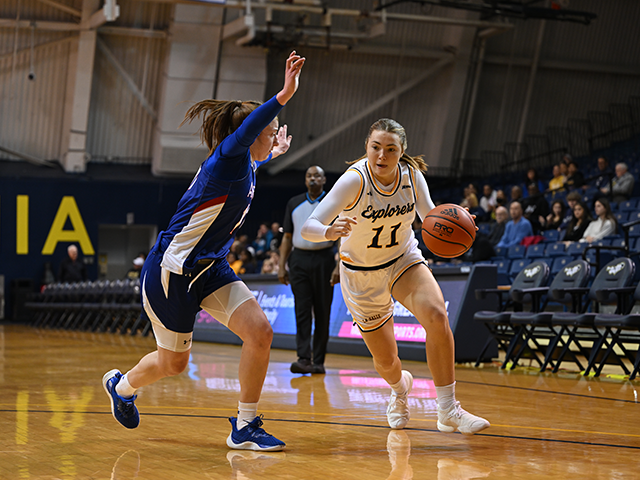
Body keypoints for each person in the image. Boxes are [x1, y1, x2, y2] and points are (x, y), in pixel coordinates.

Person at [101, 51, 306, 452]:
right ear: (254, 131)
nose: (275, 135)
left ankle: (244, 426)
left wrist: (273, 153)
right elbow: (247, 134)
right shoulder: (227, 158)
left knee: (260, 332)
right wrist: (283, 94)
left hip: (210, 269)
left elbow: (253, 158)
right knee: (173, 364)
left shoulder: (246, 165)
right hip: (173, 271)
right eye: (271, 131)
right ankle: (121, 387)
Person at [300, 118, 490, 435]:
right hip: (361, 275)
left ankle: (447, 410)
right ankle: (400, 389)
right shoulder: (353, 181)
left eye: (390, 149)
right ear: (367, 147)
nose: (381, 156)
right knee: (387, 361)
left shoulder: (411, 176)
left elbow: (431, 216)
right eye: (375, 147)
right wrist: (328, 231)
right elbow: (309, 226)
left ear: (402, 152)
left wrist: (459, 222)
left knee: (436, 314)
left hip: (403, 260)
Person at [278, 165, 339, 375]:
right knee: (302, 310)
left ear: (324, 180)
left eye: (317, 176)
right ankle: (303, 358)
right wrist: (281, 265)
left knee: (323, 311)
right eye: (309, 176)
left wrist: (339, 266)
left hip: (325, 259)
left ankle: (319, 361)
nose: (313, 179)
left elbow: (343, 238)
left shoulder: (333, 204)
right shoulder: (294, 203)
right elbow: (286, 237)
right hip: (299, 260)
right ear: (305, 180)